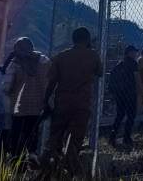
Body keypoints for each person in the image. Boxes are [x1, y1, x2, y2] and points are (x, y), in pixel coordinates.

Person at [40, 27, 102, 176]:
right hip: (82, 104)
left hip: (62, 102)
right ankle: (70, 169)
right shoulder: (93, 55)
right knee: (75, 139)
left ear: (73, 40)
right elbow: (99, 72)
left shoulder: (61, 56)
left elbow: (52, 81)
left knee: (55, 136)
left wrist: (46, 101)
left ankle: (48, 166)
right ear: (87, 40)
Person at [5, 37, 50, 156]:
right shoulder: (44, 61)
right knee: (32, 133)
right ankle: (31, 156)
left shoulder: (15, 64)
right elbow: (49, 82)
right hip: (37, 106)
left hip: (17, 107)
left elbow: (6, 86)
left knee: (16, 134)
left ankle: (15, 160)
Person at [108, 45, 139, 148]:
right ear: (129, 53)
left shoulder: (119, 65)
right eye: (134, 52)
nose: (136, 54)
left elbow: (112, 78)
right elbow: (137, 78)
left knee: (120, 115)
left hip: (120, 95)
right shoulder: (133, 63)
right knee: (131, 115)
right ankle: (126, 137)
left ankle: (112, 137)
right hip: (130, 94)